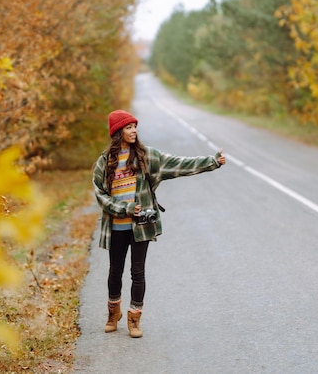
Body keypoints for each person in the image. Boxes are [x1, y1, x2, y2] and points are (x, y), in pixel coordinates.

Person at [92, 109, 226, 338]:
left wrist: (211, 162)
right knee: (115, 271)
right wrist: (123, 208)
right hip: (116, 226)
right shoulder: (105, 162)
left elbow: (178, 164)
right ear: (117, 132)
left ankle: (134, 319)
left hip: (141, 226)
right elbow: (100, 193)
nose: (134, 130)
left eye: (135, 126)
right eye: (128, 127)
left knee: (137, 271)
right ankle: (113, 314)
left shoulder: (147, 156)